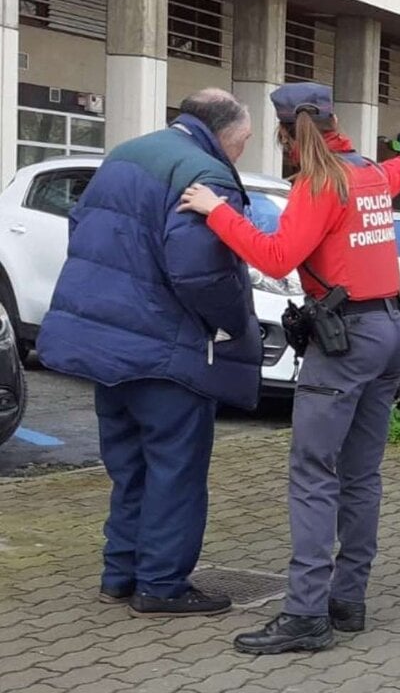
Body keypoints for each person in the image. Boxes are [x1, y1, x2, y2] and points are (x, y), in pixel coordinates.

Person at [177, 82, 400, 654]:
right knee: (361, 475)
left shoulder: (320, 183)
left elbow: (276, 257)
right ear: (335, 121)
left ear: (286, 134)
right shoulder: (367, 172)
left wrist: (217, 211)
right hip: (390, 330)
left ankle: (306, 614)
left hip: (344, 342)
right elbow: (394, 174)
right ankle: (348, 600)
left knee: (314, 474)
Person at [36, 89, 261, 618]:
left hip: (105, 345)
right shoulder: (206, 173)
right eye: (246, 139)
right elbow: (201, 272)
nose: (244, 149)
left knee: (129, 467)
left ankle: (119, 576)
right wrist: (234, 323)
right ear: (225, 131)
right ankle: (161, 585)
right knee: (174, 470)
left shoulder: (125, 155)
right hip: (166, 350)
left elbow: (82, 229)